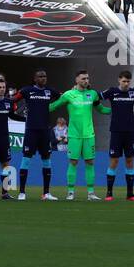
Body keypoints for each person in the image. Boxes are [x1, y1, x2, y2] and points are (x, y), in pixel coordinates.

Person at [49, 70, 104, 199]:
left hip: (89, 135)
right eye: (83, 78)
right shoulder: (68, 95)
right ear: (77, 80)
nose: (86, 81)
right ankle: (70, 192)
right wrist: (38, 107)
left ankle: (91, 193)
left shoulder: (93, 94)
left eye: (88, 78)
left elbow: (101, 109)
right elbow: (53, 106)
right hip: (74, 135)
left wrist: (118, 110)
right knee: (73, 162)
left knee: (90, 162)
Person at [14, 69, 59, 200]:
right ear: (34, 78)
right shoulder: (27, 90)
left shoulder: (50, 91)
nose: (43, 78)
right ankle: (22, 192)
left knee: (47, 161)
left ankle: (46, 193)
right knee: (26, 160)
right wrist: (16, 111)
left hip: (45, 131)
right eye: (40, 76)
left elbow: (63, 97)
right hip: (31, 131)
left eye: (45, 76)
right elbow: (13, 100)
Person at [99, 70, 134, 201]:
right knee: (114, 161)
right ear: (119, 80)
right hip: (116, 131)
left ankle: (130, 194)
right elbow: (97, 97)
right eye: (124, 81)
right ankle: (109, 193)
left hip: (130, 131)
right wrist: (102, 109)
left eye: (128, 81)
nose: (126, 84)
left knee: (130, 161)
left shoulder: (133, 92)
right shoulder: (112, 91)